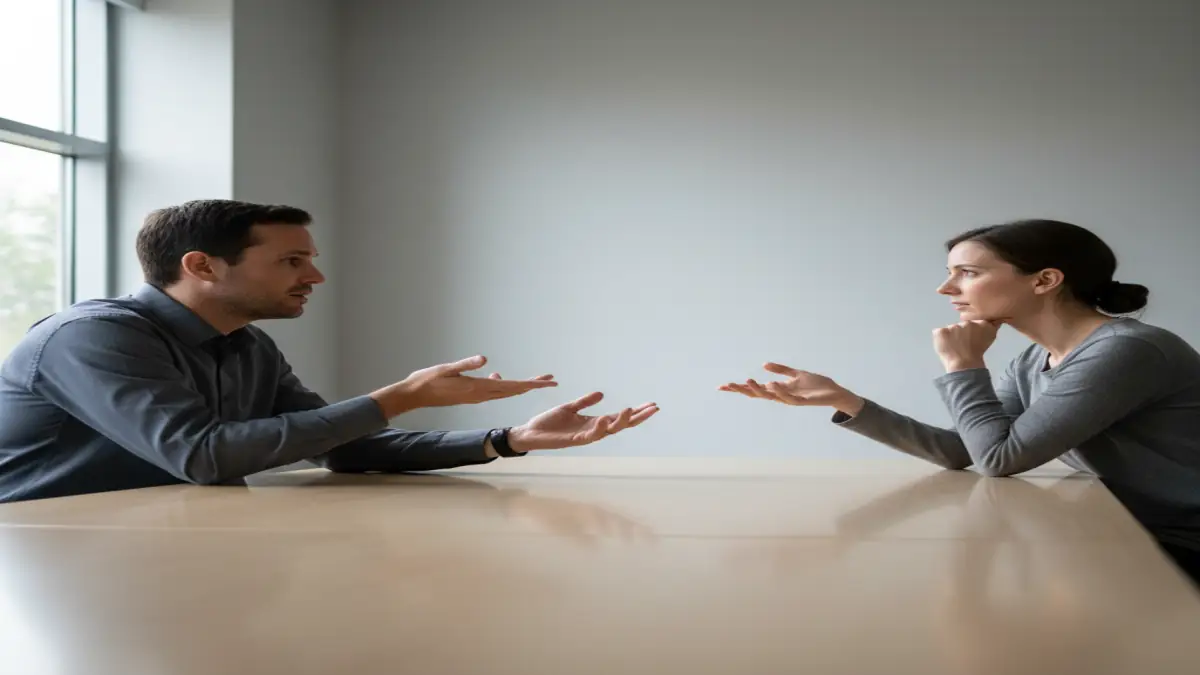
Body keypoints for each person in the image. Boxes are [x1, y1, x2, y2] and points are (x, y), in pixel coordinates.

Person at [0, 199, 659, 502]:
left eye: (310, 260)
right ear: (201, 265)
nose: (314, 277)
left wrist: (508, 439)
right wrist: (399, 394)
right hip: (35, 554)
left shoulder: (247, 344)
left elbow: (343, 445)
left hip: (150, 538)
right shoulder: (93, 337)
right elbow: (202, 456)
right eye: (292, 260)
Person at [720, 219, 1200, 585]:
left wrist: (963, 365)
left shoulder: (1124, 351)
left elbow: (998, 460)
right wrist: (849, 401)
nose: (946, 289)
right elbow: (965, 449)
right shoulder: (1038, 358)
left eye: (967, 273)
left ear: (1044, 280)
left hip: (1179, 544)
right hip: (1129, 533)